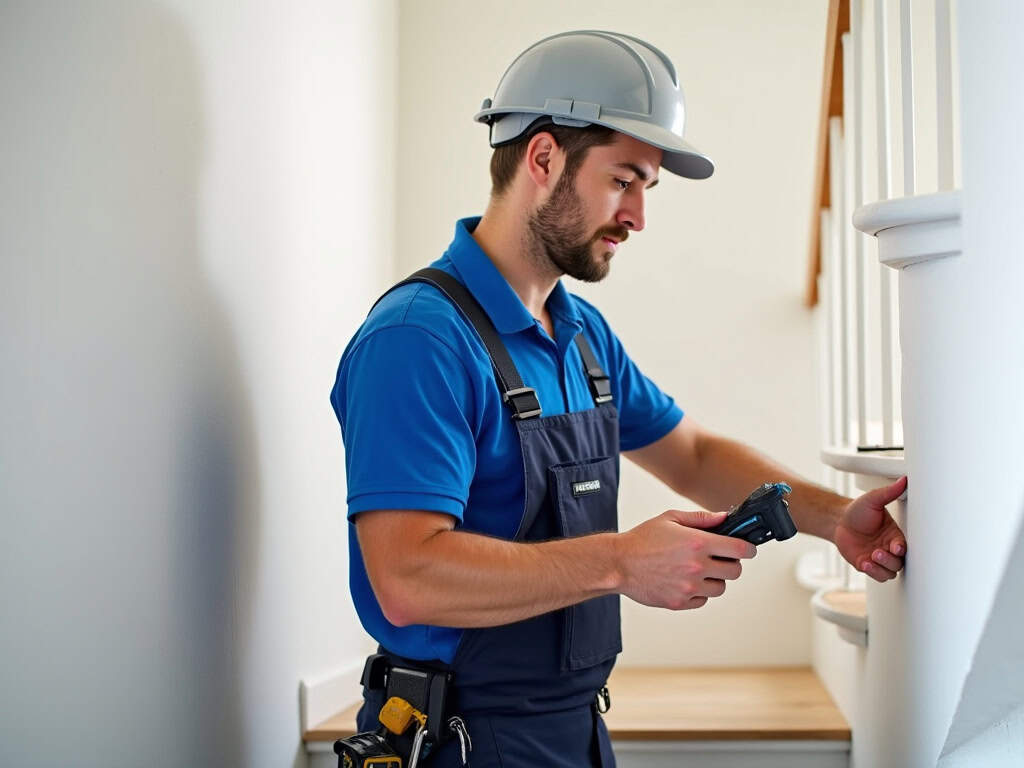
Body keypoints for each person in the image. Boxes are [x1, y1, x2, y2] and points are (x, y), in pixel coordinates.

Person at [329, 30, 908, 768]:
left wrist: (835, 520)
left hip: (573, 730)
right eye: (622, 180)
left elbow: (693, 455)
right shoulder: (420, 341)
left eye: (646, 189)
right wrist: (621, 561)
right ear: (543, 158)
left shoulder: (581, 333)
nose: (638, 216)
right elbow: (407, 577)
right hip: (460, 743)